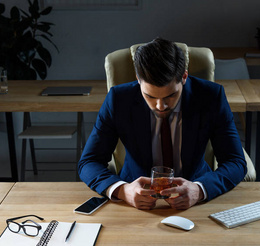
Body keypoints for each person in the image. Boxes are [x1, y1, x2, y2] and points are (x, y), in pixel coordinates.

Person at [78, 38, 247, 210]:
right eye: (150, 96)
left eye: (170, 96)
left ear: (184, 77)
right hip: (136, 201)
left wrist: (199, 190)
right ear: (138, 79)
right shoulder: (118, 100)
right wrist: (123, 190)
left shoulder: (211, 97)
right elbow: (89, 162)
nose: (160, 106)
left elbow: (235, 161)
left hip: (195, 200)